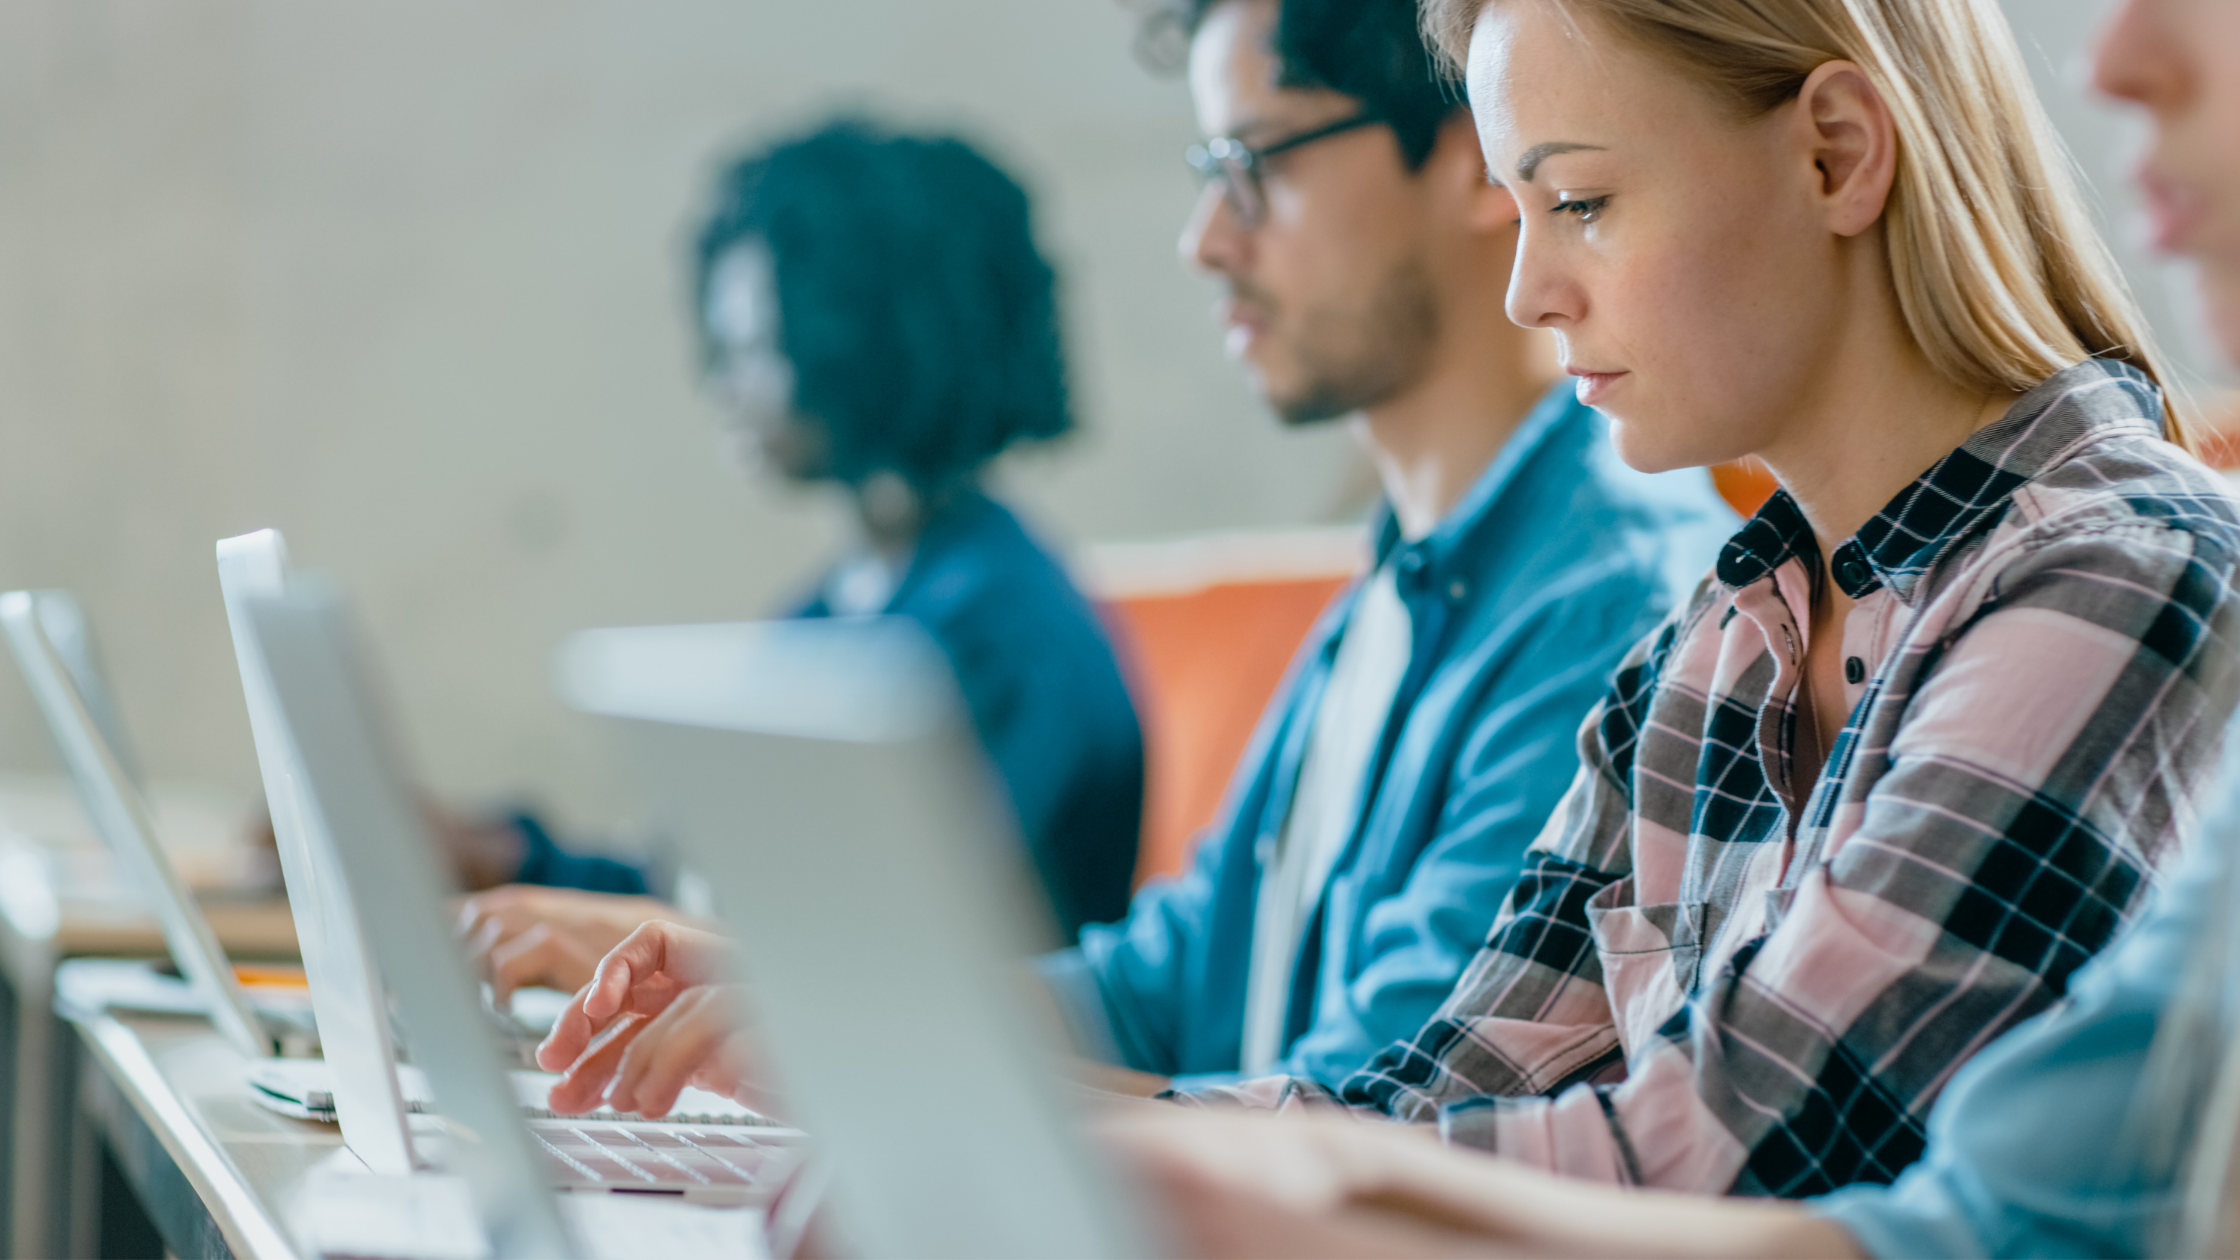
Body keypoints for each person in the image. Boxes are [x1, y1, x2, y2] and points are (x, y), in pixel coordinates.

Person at [1106, 1, 2240, 1254]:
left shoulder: (2123, 576)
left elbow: (1732, 1154)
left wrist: (1158, 1168)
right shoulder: (1715, 639)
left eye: (1579, 203)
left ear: (1835, 156)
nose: (1528, 293)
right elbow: (1435, 1095)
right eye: (1518, 209)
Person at [535, 0, 1735, 1110]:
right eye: (1206, 173)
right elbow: (1150, 992)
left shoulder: (1607, 608)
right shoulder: (1395, 586)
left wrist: (886, 1061)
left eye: (1257, 164)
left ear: (1480, 150)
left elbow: (1380, 1114)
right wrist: (780, 993)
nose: (1204, 240)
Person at [455, 120, 1147, 973]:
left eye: (752, 349)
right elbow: (720, 892)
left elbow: (904, 956)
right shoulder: (835, 611)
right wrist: (508, 860)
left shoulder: (1011, 642)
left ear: (858, 346)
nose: (721, 388)